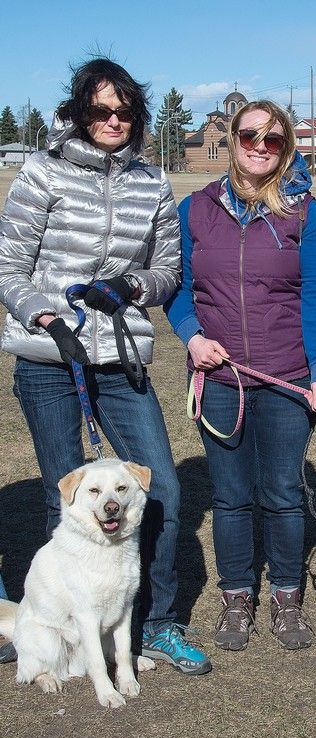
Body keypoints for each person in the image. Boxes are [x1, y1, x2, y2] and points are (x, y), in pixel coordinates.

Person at [0, 58, 210, 674]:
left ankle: (157, 624)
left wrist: (131, 286)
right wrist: (46, 316)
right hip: (49, 357)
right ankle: (64, 629)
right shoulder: (41, 173)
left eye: (124, 111)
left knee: (161, 489)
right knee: (64, 494)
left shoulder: (153, 183)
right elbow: (9, 268)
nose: (113, 120)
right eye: (101, 110)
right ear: (81, 112)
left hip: (122, 358)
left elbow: (169, 271)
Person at [165, 101, 316, 651]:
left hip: (286, 378)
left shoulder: (306, 213)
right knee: (232, 494)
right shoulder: (195, 209)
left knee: (282, 493)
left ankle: (287, 595)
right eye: (250, 135)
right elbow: (178, 290)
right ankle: (236, 596)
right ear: (233, 139)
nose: (261, 146)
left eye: (274, 139)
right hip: (220, 381)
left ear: (286, 149)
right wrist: (193, 336)